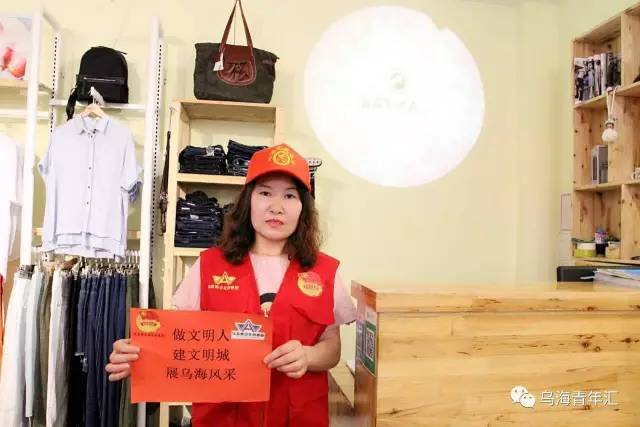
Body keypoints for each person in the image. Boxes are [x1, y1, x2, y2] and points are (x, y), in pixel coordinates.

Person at [105, 143, 356, 427]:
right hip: (223, 418)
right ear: (248, 201)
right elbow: (176, 340)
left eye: (289, 195)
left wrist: (308, 356)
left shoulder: (325, 272)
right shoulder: (209, 266)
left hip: (298, 418)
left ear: (303, 208)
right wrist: (140, 352)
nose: (276, 207)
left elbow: (332, 347)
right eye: (265, 193)